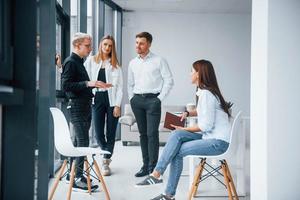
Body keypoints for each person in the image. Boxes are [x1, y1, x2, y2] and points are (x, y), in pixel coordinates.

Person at [136, 59, 233, 200]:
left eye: (192, 71)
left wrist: (185, 127)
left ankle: (165, 189)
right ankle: (158, 176)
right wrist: (188, 114)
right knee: (176, 134)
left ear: (199, 74)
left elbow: (206, 126)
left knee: (177, 151)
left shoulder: (206, 94)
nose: (189, 74)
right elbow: (204, 112)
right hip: (211, 138)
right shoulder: (207, 92)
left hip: (217, 143)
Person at [61, 32, 110, 192]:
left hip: (83, 106)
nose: (90, 48)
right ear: (77, 45)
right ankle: (77, 178)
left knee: (78, 142)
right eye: (87, 45)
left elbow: (78, 84)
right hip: (77, 107)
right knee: (82, 143)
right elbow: (67, 85)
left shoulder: (79, 62)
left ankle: (73, 175)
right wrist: (88, 83)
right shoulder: (70, 62)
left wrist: (94, 85)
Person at [128, 32, 174, 177]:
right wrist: (132, 99)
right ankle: (145, 166)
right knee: (143, 134)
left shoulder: (159, 60)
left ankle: (153, 167)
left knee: (152, 134)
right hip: (137, 101)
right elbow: (130, 83)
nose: (138, 46)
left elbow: (169, 80)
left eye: (141, 43)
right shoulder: (132, 63)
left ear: (149, 44)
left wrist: (159, 99)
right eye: (136, 43)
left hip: (153, 101)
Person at [84, 35, 123, 176]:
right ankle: (106, 150)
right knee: (99, 133)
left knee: (111, 133)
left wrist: (118, 105)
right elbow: (81, 76)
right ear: (100, 44)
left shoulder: (116, 66)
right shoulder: (91, 61)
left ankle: (106, 161)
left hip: (112, 100)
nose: (107, 47)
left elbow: (119, 88)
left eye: (110, 46)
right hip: (97, 98)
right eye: (105, 44)